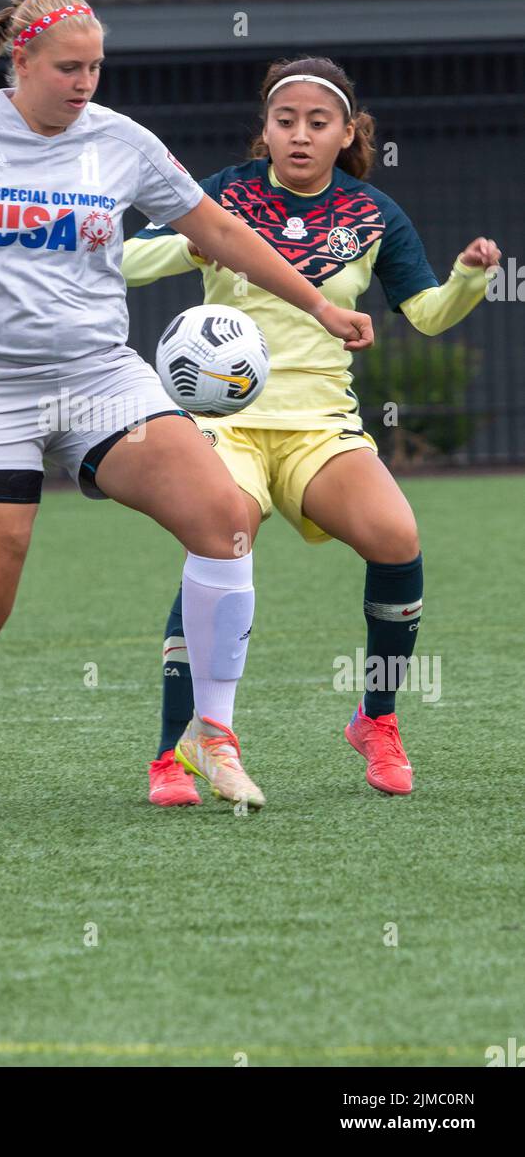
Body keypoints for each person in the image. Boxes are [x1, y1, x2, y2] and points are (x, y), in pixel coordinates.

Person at [0, 0, 372, 821]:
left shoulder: (122, 142)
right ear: (19, 62)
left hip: (101, 377)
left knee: (223, 517)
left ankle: (214, 734)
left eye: (96, 66)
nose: (85, 81)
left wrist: (318, 304)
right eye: (68, 66)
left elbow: (221, 232)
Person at [122, 55, 500, 805]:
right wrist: (190, 243)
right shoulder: (223, 193)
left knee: (397, 540)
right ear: (264, 130)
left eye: (317, 123)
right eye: (284, 120)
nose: (299, 135)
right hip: (222, 426)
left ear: (347, 133)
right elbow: (130, 259)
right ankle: (172, 753)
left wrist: (467, 279)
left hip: (320, 427)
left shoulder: (374, 213)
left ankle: (378, 719)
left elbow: (425, 315)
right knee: (219, 545)